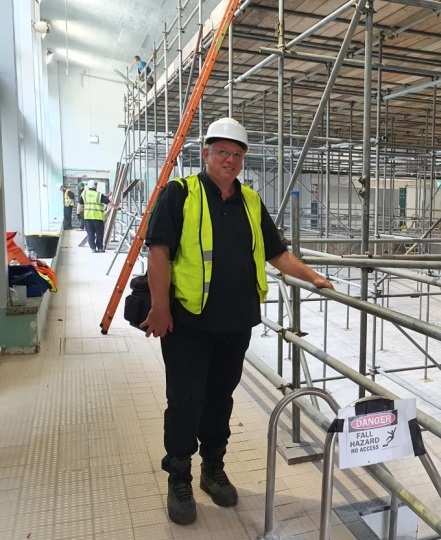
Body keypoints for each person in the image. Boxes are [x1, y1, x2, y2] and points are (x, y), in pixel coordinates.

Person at [141, 117, 334, 526]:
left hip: (236, 324)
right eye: (223, 152)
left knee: (220, 398)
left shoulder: (249, 200)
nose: (230, 160)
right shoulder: (180, 194)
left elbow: (276, 252)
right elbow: (158, 251)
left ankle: (213, 468)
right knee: (185, 400)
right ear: (206, 153)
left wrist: (313, 276)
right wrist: (159, 308)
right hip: (189, 323)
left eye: (238, 154)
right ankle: (179, 476)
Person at [78, 181, 116, 253]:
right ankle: (100, 248)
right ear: (96, 187)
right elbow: (109, 203)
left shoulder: (84, 194)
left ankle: (93, 248)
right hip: (98, 218)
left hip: (88, 217)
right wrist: (116, 207)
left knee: (90, 234)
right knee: (99, 234)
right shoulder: (99, 195)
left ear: (88, 186)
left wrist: (80, 212)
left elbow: (79, 206)